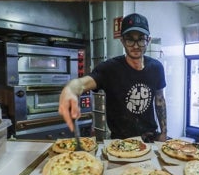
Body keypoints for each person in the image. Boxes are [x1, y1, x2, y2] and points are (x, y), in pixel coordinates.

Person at [58, 13, 168, 142]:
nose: (136, 45)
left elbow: (159, 100)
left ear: (148, 40)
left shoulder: (156, 68)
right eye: (130, 39)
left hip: (150, 138)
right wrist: (70, 89)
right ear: (122, 41)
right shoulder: (109, 69)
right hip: (120, 142)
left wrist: (164, 132)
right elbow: (84, 83)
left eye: (141, 39)